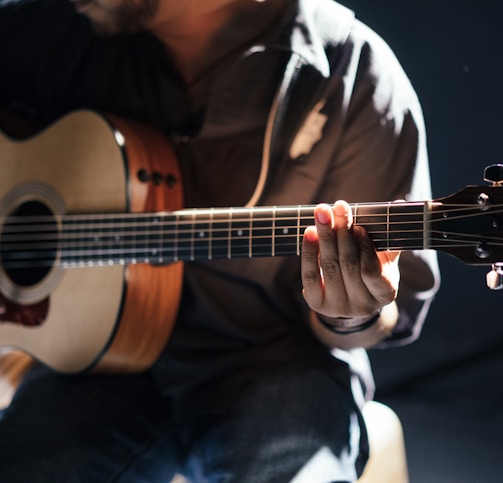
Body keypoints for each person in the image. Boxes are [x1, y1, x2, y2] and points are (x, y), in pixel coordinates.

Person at [0, 0, 440, 481]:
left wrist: (352, 310)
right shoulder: (45, 33)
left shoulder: (353, 73)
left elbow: (385, 317)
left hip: (278, 366)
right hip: (86, 370)